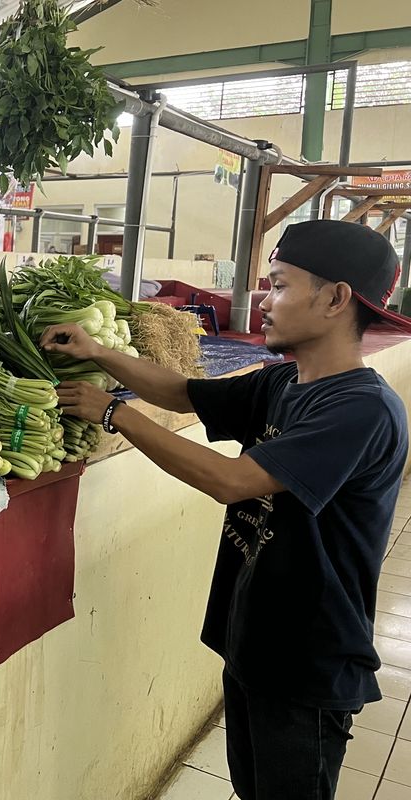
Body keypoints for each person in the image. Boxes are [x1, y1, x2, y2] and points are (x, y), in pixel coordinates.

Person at [40, 220, 411, 800]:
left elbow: (232, 481)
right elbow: (181, 393)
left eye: (280, 285)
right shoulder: (283, 383)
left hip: (307, 658)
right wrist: (98, 352)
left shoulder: (361, 409)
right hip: (256, 639)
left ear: (336, 298)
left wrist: (114, 413)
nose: (263, 300)